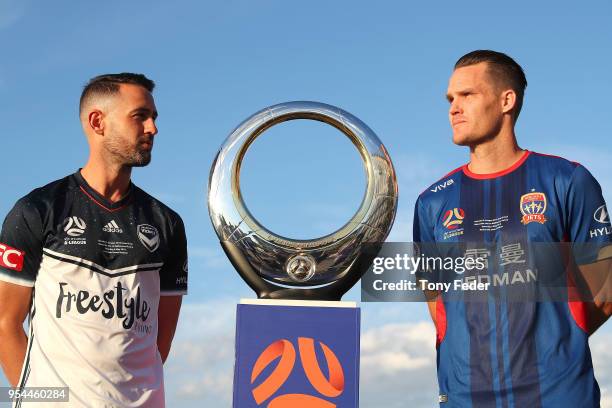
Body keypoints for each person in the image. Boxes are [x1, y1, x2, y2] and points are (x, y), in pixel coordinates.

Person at [413, 50, 611, 407]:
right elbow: (436, 301)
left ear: (507, 100)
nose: (453, 108)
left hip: (558, 395)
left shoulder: (567, 180)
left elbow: (606, 288)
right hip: (465, 397)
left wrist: (559, 339)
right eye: (450, 99)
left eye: (467, 95)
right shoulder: (431, 202)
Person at [0, 73, 188, 407]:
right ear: (97, 121)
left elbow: (160, 341)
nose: (152, 129)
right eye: (140, 116)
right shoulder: (38, 210)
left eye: (154, 118)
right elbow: (5, 324)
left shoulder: (167, 223)